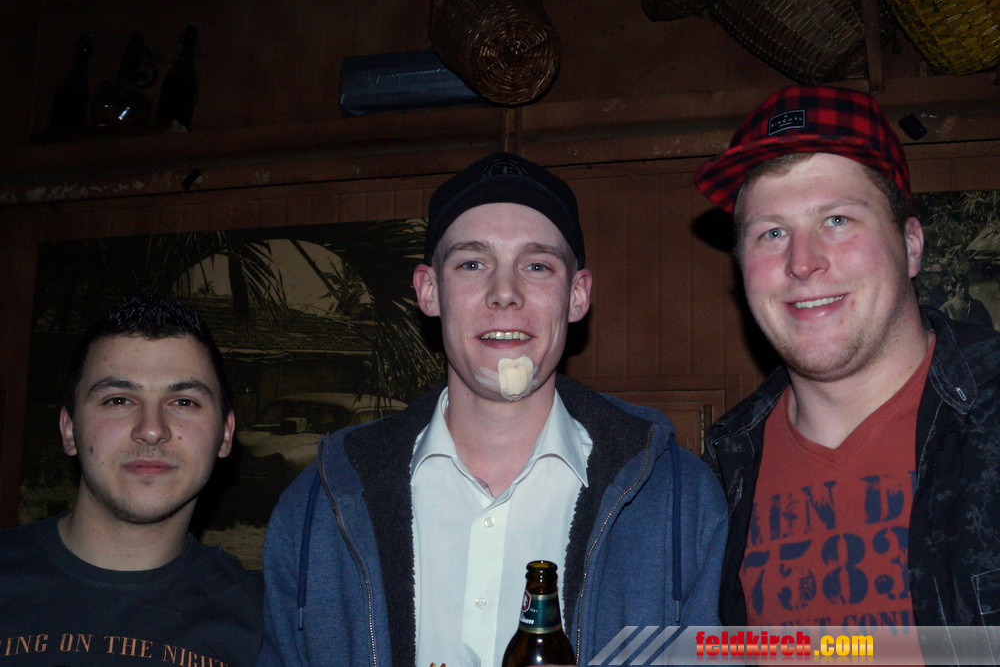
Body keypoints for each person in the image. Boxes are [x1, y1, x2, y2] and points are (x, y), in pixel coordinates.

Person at [259, 152, 727, 666]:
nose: (505, 293)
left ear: (576, 296)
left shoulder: (679, 501)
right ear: (429, 291)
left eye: (536, 265)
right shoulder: (317, 508)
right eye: (472, 264)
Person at [693, 85, 1000, 634]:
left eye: (836, 219)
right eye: (772, 232)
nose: (802, 262)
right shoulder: (718, 473)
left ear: (911, 245)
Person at [0, 291, 264, 665]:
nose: (152, 430)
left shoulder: (267, 626)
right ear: (69, 429)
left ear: (225, 434)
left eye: (184, 402)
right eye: (119, 400)